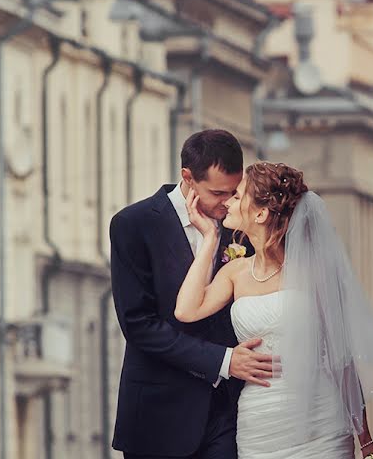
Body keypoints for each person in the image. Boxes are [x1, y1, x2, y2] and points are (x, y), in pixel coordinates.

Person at [175, 161, 373, 458]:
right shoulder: (235, 272)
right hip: (260, 424)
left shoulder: (315, 272)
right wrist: (209, 239)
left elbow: (343, 361)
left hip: (321, 421)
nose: (228, 202)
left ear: (261, 213)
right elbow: (186, 311)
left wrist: (366, 439)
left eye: (238, 197)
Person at [110, 130, 276, 459]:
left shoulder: (241, 224)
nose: (228, 202)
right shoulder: (134, 225)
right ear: (187, 176)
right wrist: (224, 360)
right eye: (217, 193)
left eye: (234, 192)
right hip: (160, 415)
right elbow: (139, 325)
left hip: (230, 412)